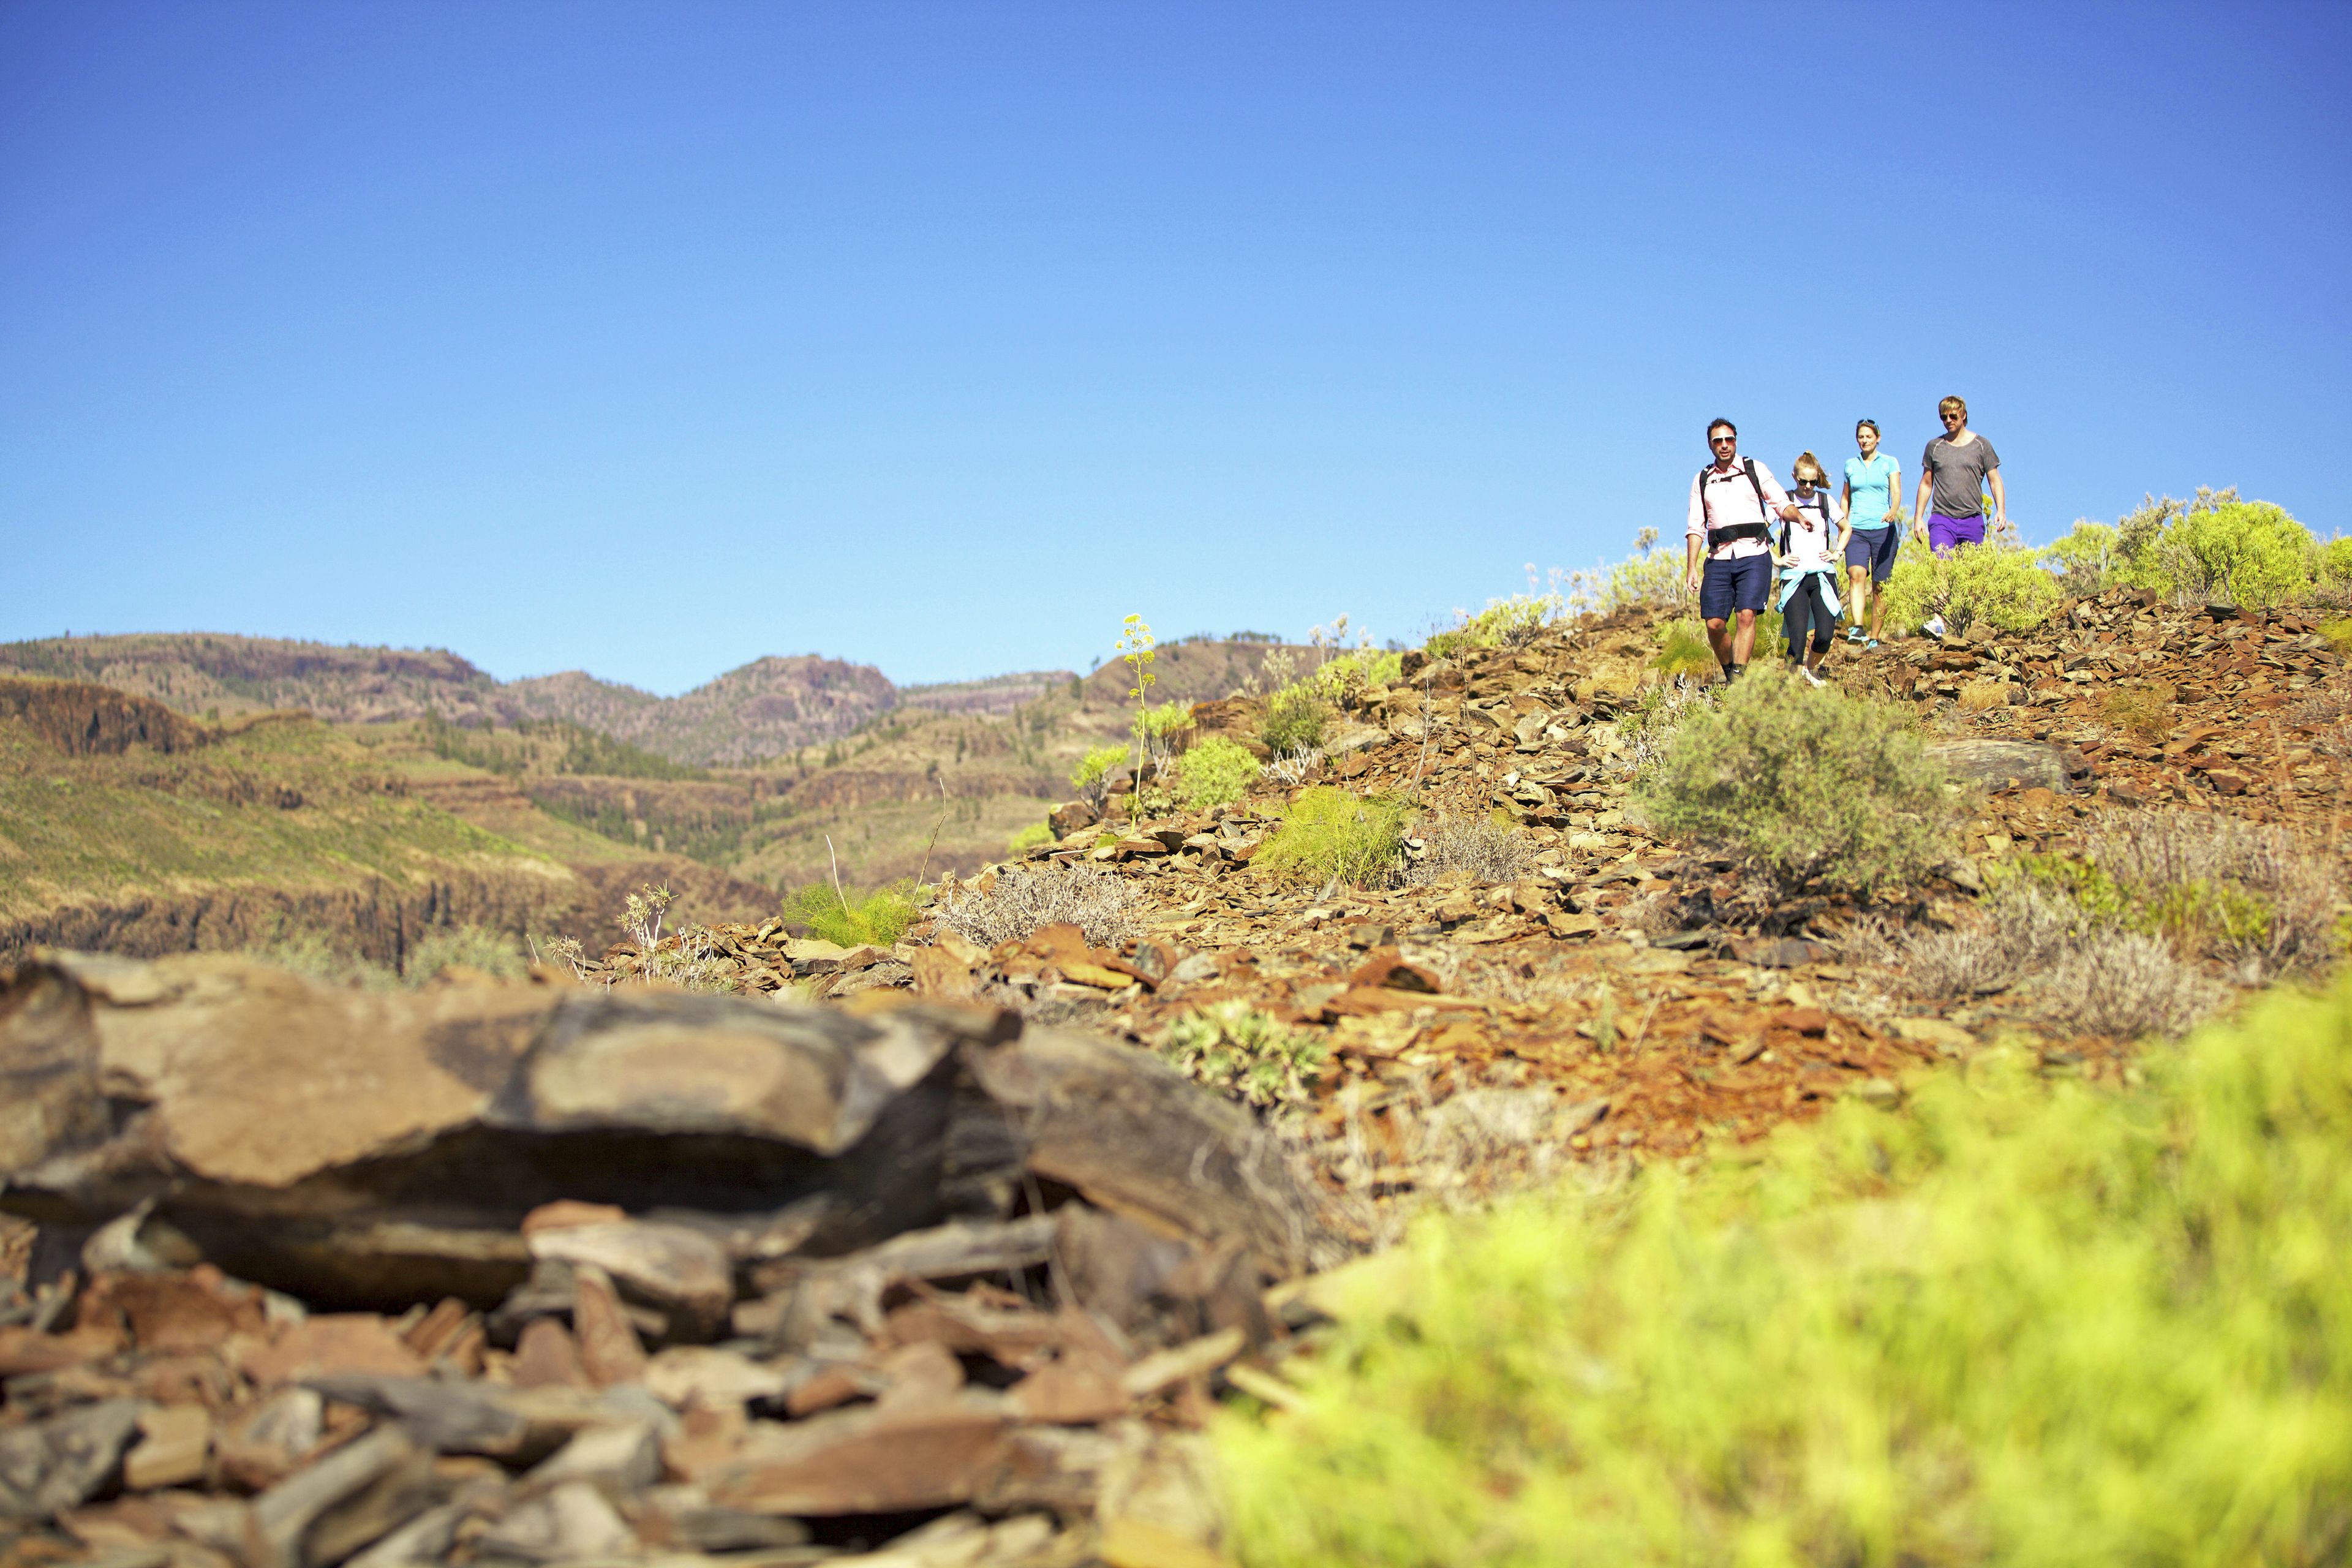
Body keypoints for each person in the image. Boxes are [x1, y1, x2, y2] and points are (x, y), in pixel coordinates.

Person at [1685, 418, 1801, 682]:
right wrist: (1691, 567)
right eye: (1718, 441)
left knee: (1747, 614)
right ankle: (1730, 672)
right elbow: (1695, 526)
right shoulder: (1702, 479)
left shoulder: (1754, 469)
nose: (1724, 445)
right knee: (1714, 623)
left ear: (1736, 441)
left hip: (1754, 554)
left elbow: (1780, 502)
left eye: (1729, 440)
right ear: (1710, 445)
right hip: (1719, 558)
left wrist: (1798, 518)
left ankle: (1739, 677)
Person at [1912, 395, 2007, 637]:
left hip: (1972, 519)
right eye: (1944, 417)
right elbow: (1926, 483)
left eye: (1953, 416)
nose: (1948, 420)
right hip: (1942, 518)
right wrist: (1918, 518)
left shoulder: (1981, 445)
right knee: (1942, 568)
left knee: (1971, 573)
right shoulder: (1935, 447)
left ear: (1964, 415)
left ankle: (1974, 624)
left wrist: (2001, 511)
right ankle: (1939, 621)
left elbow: (1995, 480)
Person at [1776, 452, 1844, 686]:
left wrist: (1837, 553)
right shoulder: (1784, 501)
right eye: (1802, 481)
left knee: (1825, 635)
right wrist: (1776, 560)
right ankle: (1790, 686)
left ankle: (1810, 670)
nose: (1807, 486)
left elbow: (1846, 528)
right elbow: (1760, 529)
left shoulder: (1826, 502)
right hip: (1794, 577)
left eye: (1812, 482)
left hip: (1823, 575)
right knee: (1797, 638)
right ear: (1794, 477)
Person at [1840, 418, 1901, 646]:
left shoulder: (1889, 463)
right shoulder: (1850, 465)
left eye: (1869, 436)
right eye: (1861, 437)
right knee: (1857, 574)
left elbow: (1896, 492)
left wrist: (1894, 510)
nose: (1864, 440)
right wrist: (1843, 524)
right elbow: (1846, 497)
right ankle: (1857, 627)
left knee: (1880, 586)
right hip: (1857, 530)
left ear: (1878, 438)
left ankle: (1875, 637)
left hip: (1883, 530)